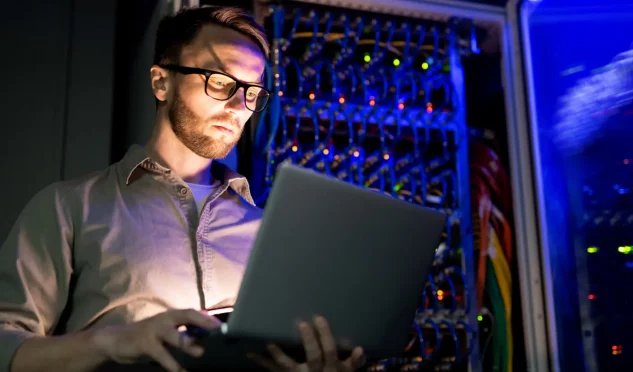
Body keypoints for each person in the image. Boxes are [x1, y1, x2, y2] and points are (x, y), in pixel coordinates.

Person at [0, 6, 365, 372]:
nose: (239, 107)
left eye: (252, 91)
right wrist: (113, 342)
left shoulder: (268, 234)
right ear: (161, 82)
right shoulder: (70, 208)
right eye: (221, 81)